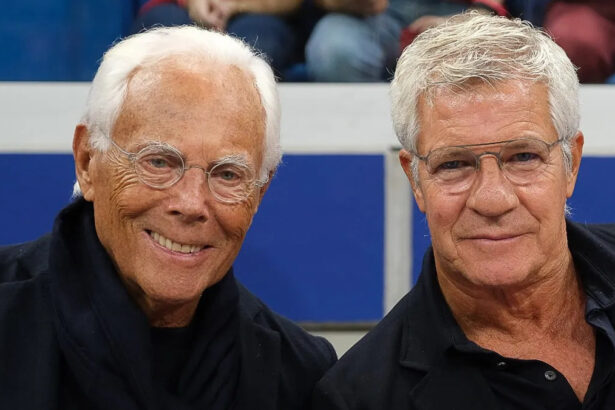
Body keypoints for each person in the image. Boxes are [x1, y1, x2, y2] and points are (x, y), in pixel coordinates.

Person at [0, 26, 336, 409]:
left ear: (260, 192)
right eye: (159, 162)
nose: (191, 203)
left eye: (227, 174)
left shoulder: (297, 376)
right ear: (87, 161)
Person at [312, 12, 615, 409]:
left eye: (523, 157)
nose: (492, 200)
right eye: (453, 164)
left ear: (571, 163)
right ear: (415, 179)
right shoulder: (359, 398)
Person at [133, 0, 323, 79]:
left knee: (256, 43)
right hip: (177, 7)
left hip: (262, 12)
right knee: (167, 35)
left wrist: (236, 3)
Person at [305, 0, 467, 82]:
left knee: (470, 54)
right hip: (380, 15)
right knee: (336, 50)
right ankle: (361, 125)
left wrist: (473, 18)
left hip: (466, 11)